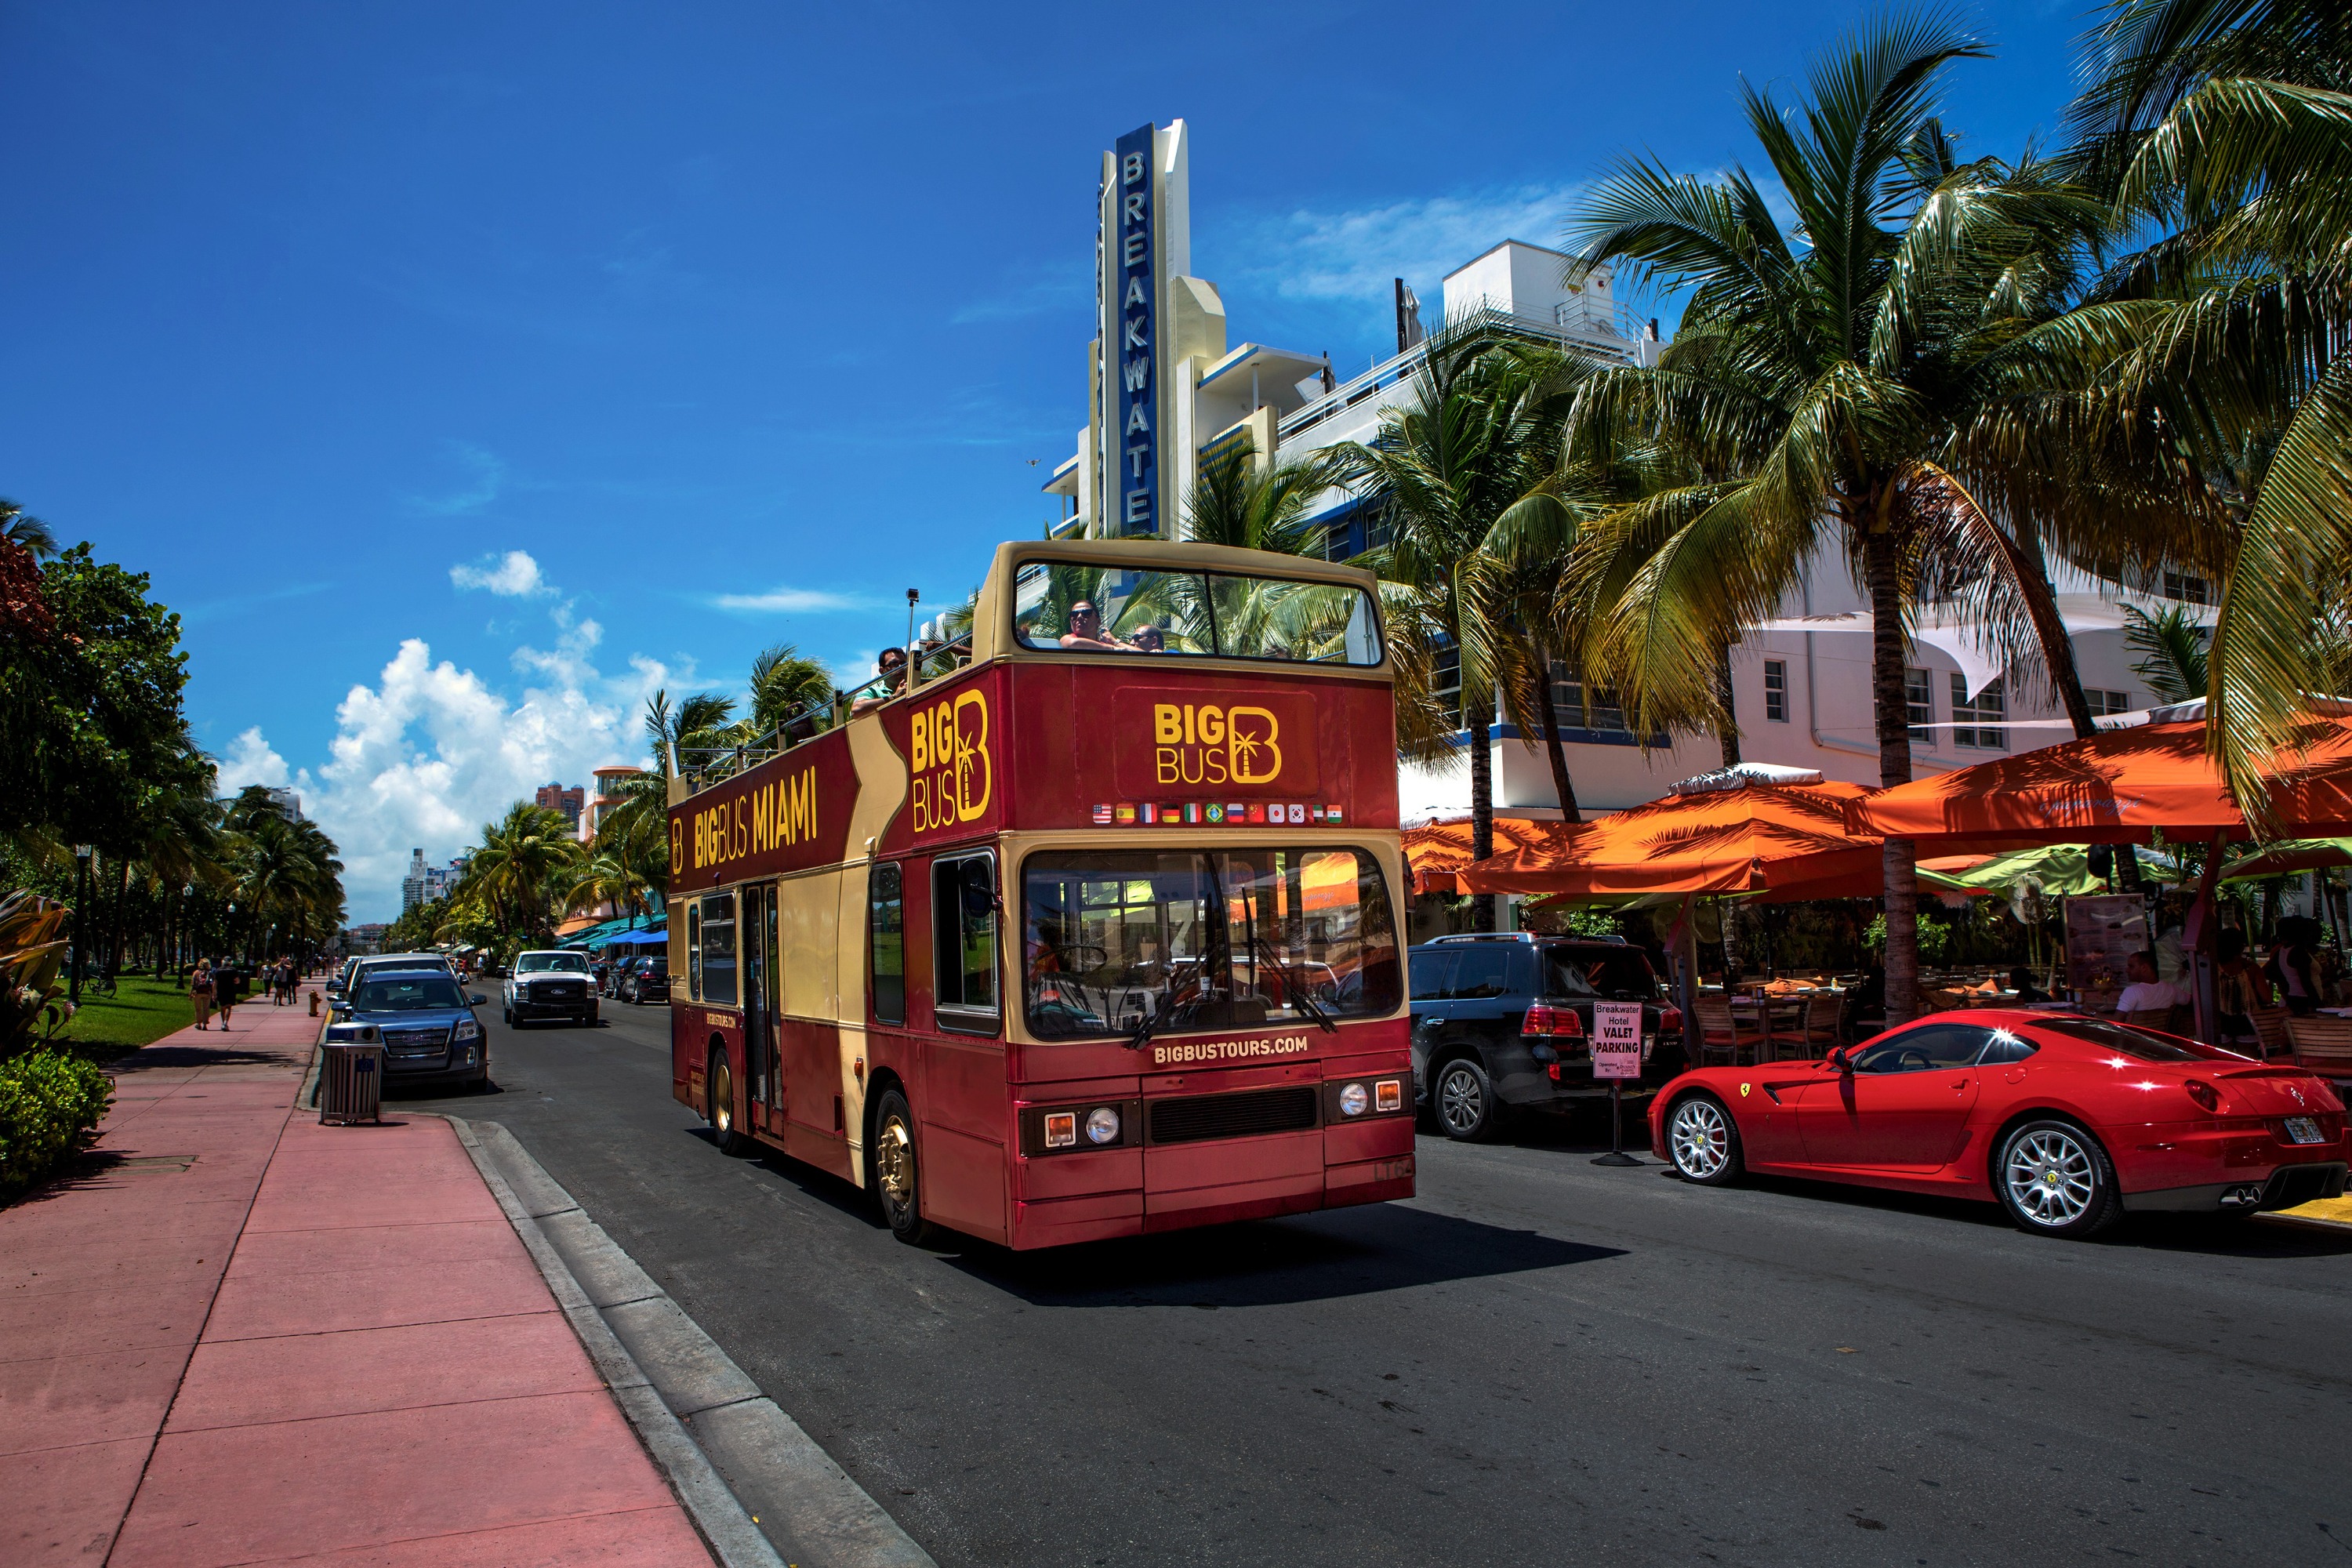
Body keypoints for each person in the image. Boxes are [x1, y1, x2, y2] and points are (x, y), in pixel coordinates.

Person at [2216, 928, 2267, 1043]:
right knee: (2247, 1060)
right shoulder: (2251, 968)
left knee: (2224, 1059)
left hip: (2220, 1020)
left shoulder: (2212, 969)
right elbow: (2267, 997)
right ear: (2241, 947)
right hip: (2247, 1021)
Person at [2117, 950, 2186, 1015]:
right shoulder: (2171, 989)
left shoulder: (2132, 991)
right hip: (2160, 1028)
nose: (2127, 970)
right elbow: (2193, 1001)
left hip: (2136, 1028)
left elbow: (2117, 1022)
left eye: (2131, 966)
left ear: (2144, 968)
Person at [850, 647, 908, 716]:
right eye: (894, 664)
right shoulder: (874, 691)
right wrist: (894, 697)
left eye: (903, 663)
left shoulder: (918, 683)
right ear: (882, 671)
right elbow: (856, 710)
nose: (900, 667)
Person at [1058, 601, 1133, 653]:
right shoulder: (1068, 638)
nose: (1079, 617)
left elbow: (1142, 655)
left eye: (1086, 613)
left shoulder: (1105, 647)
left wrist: (1115, 642)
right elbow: (1072, 644)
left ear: (1098, 621)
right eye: (1074, 615)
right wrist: (1112, 649)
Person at [189, 959, 215, 1031]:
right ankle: (205, 1024)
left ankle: (199, 1024)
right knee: (206, 1009)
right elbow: (212, 984)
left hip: (197, 993)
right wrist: (213, 993)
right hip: (207, 993)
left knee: (198, 1009)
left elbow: (193, 984)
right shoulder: (210, 974)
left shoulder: (196, 973)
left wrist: (190, 994)